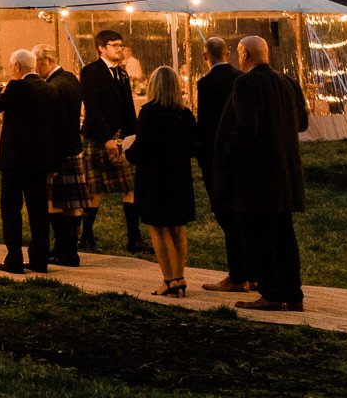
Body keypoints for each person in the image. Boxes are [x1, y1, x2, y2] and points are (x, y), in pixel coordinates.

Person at [215, 35, 309, 312]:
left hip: (257, 174)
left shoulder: (246, 83)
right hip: (286, 172)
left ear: (244, 54)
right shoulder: (288, 82)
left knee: (258, 235)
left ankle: (271, 293)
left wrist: (228, 154)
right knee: (284, 235)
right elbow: (302, 123)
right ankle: (293, 294)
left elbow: (247, 127)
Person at [0, 48, 62, 274]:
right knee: (38, 210)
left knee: (11, 208)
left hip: (15, 160)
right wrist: (53, 161)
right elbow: (57, 127)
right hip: (40, 160)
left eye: (11, 67)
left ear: (17, 67)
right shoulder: (50, 89)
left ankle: (14, 259)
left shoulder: (17, 86)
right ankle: (39, 260)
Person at [127, 65, 197, 297]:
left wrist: (126, 152)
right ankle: (181, 275)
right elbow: (192, 146)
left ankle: (169, 278)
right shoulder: (185, 114)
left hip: (154, 177)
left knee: (158, 228)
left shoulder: (149, 112)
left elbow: (142, 147)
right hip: (179, 176)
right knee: (177, 226)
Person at [79, 29, 143, 253]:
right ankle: (85, 237)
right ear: (101, 48)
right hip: (99, 137)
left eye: (121, 45)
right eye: (114, 45)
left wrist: (133, 137)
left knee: (131, 186)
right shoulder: (90, 72)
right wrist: (106, 138)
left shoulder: (123, 74)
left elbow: (128, 108)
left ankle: (134, 239)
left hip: (121, 138)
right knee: (97, 190)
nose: (120, 49)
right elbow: (93, 108)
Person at [195, 36, 247, 293]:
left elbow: (206, 126)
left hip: (216, 159)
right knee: (243, 216)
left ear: (206, 56)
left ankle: (238, 275)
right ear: (228, 53)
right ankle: (252, 272)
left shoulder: (205, 84)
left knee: (227, 216)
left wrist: (202, 157)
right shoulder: (240, 78)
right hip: (241, 156)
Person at [36, 44, 87, 267]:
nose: (34, 66)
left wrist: (50, 156)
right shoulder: (71, 79)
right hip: (73, 147)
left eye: (36, 61)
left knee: (55, 203)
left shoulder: (54, 85)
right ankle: (70, 250)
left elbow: (53, 124)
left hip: (60, 150)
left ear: (47, 60)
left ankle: (63, 250)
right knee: (72, 203)